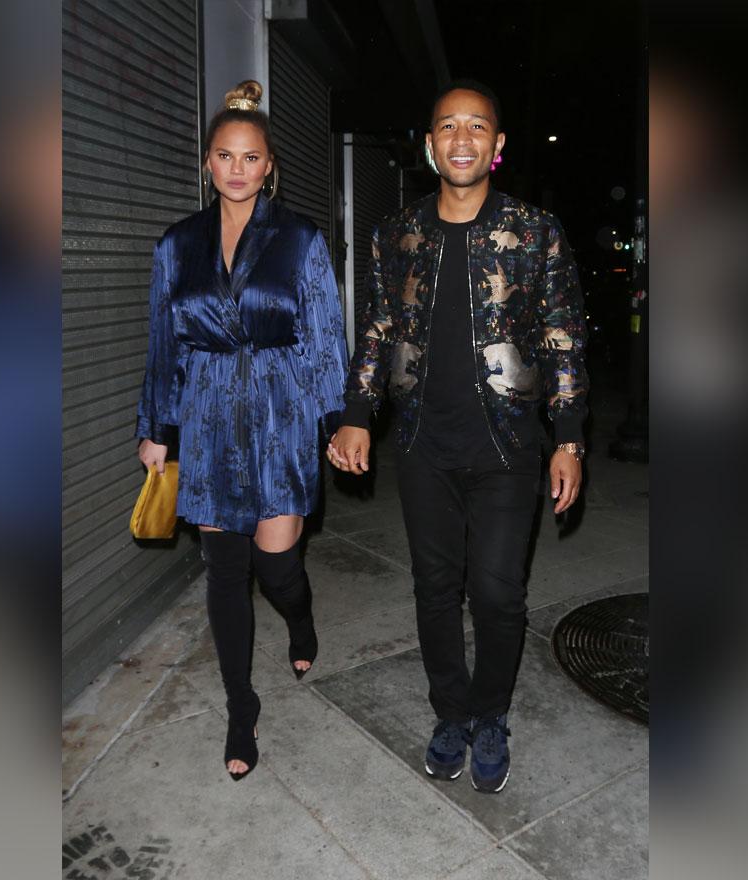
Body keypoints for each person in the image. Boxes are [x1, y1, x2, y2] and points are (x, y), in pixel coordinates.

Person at [329, 80, 587, 794]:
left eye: (478, 126)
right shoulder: (397, 233)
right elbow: (378, 327)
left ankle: (492, 712)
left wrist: (568, 438)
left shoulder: (536, 232)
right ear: (429, 145)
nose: (463, 138)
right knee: (436, 588)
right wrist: (356, 412)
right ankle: (451, 712)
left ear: (497, 147)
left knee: (499, 594)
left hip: (507, 444)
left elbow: (565, 337)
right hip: (420, 442)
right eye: (449, 126)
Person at [135, 81, 348, 781]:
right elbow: (164, 345)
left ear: (268, 165)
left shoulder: (300, 238)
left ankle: (302, 614)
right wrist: (157, 429)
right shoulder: (177, 244)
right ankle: (240, 707)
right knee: (224, 573)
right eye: (223, 155)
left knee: (278, 564)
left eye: (249, 157)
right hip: (206, 417)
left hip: (281, 415)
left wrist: (339, 423)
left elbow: (323, 340)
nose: (235, 168)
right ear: (206, 164)